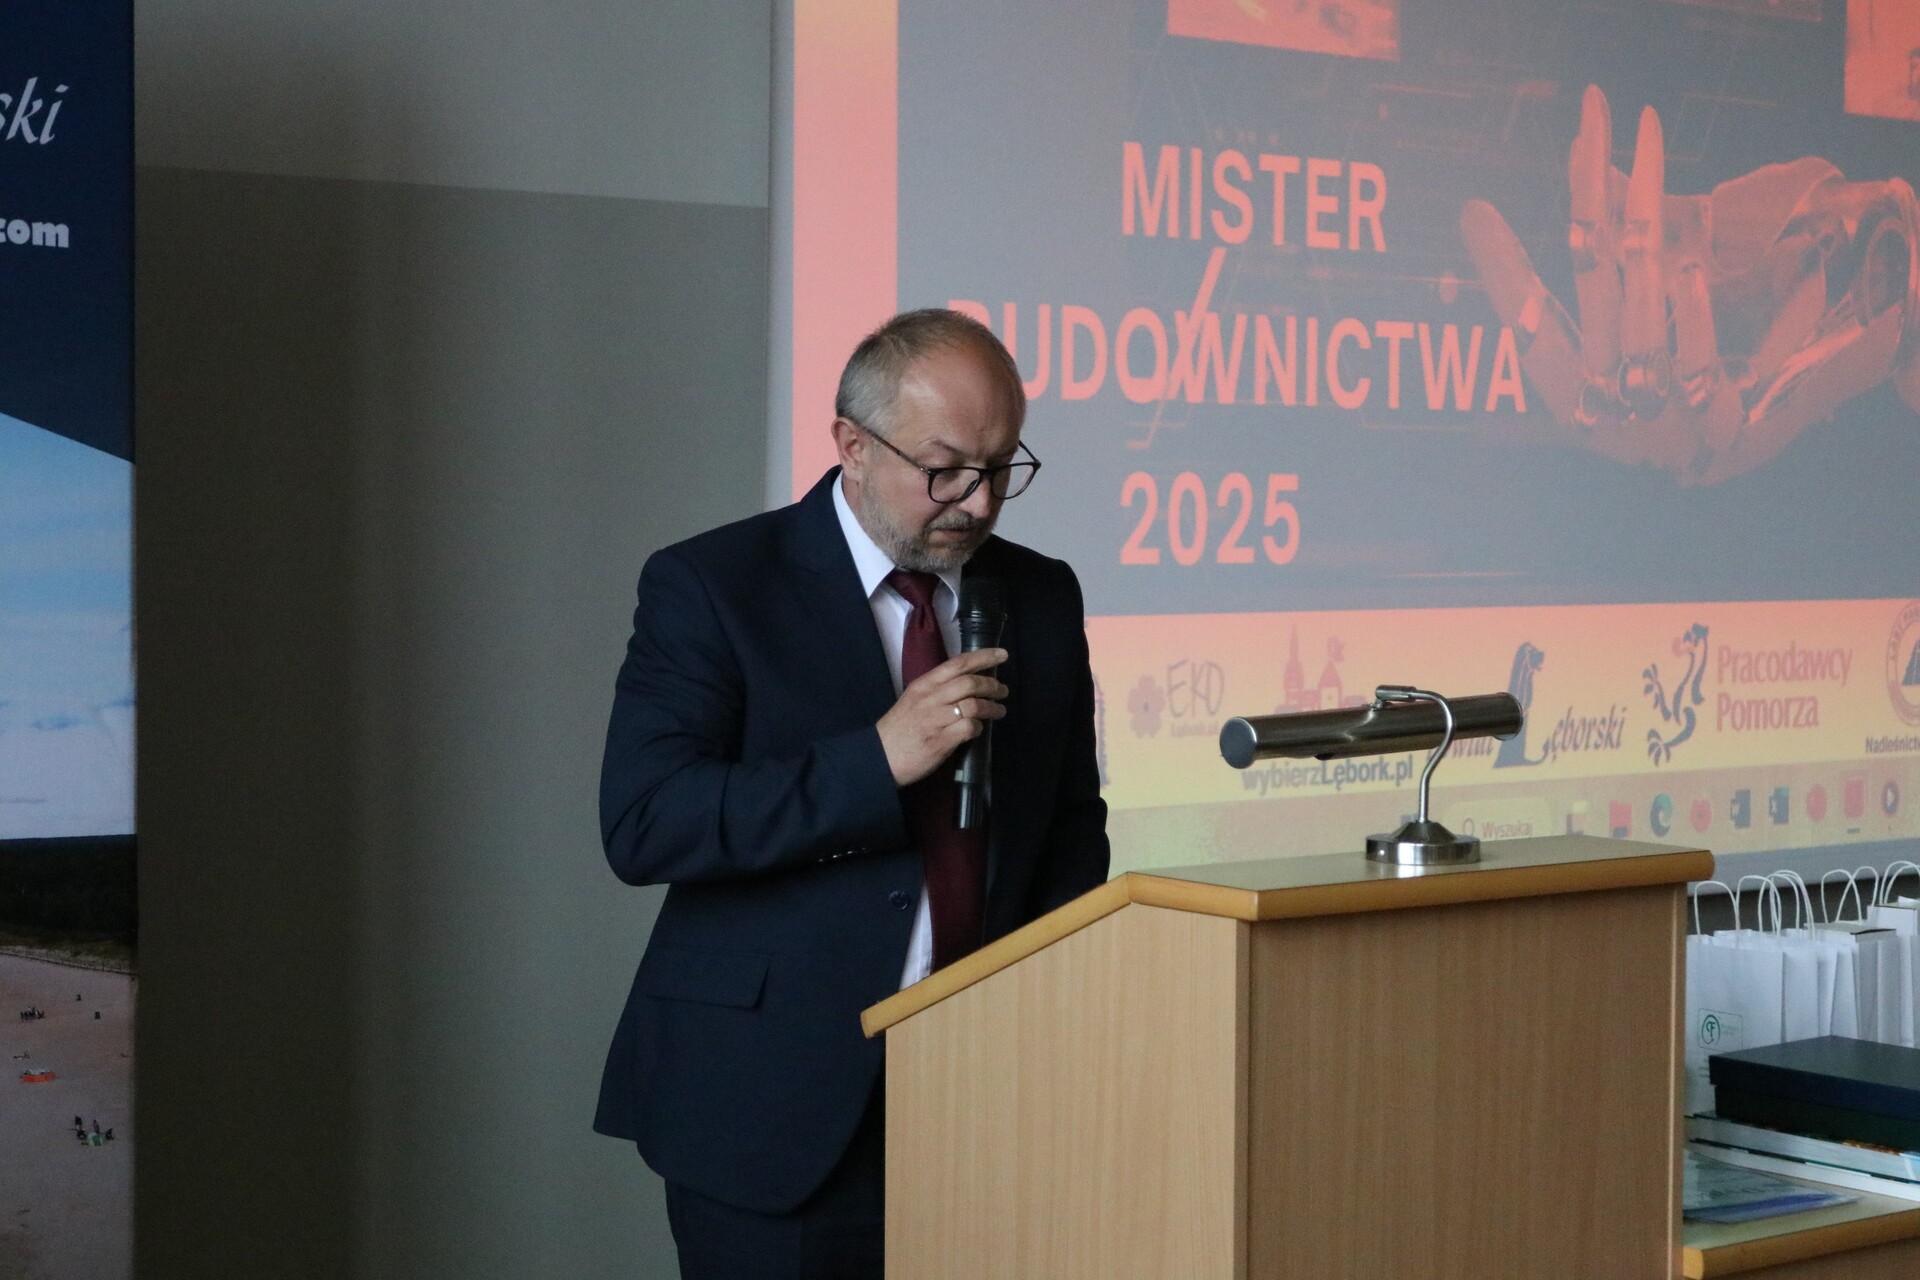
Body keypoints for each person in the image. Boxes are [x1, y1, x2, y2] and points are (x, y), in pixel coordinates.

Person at [594, 308, 1110, 1278]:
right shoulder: (713, 584)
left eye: (1001, 467)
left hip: (985, 1103)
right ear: (853, 446)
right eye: (945, 469)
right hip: (773, 1108)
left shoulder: (1041, 595)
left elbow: (1069, 833)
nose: (978, 501)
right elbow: (647, 821)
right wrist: (876, 759)